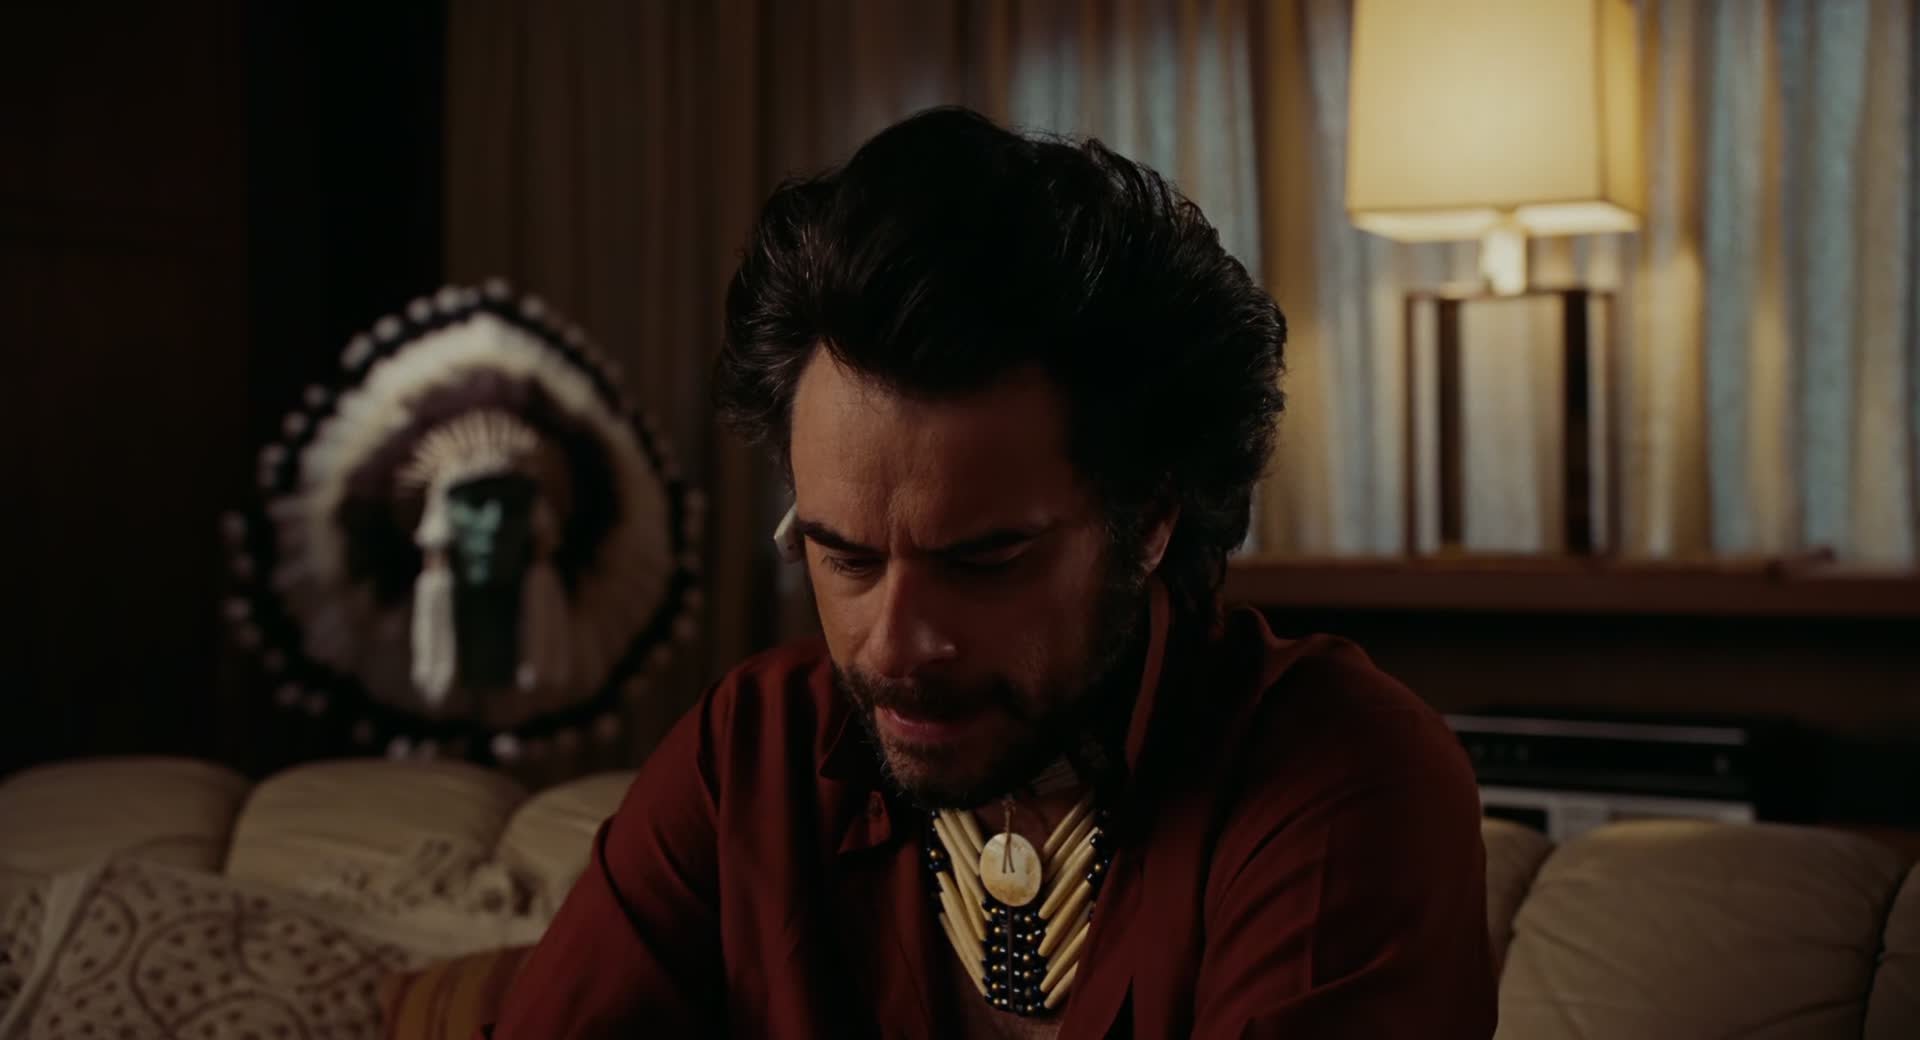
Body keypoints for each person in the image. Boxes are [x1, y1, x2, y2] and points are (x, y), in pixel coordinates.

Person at [485, 106, 1495, 1039]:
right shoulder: (752, 753)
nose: (893, 647)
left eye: (983, 560)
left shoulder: (1342, 772)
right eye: (845, 556)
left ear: (1150, 519)